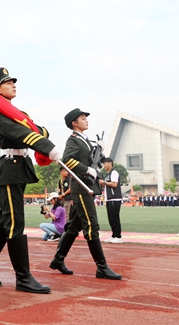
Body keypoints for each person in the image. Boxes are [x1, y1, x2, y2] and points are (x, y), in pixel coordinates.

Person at [0, 67, 57, 294]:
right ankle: (23, 278)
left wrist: (40, 134)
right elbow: (22, 134)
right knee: (15, 221)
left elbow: (39, 129)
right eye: (8, 82)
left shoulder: (18, 113)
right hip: (10, 168)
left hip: (19, 168)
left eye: (13, 82)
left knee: (3, 220)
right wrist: (46, 145)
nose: (13, 85)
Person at [49, 108, 121, 280]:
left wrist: (100, 151)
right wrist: (86, 170)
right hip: (81, 188)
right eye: (82, 118)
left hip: (87, 186)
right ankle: (101, 267)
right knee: (91, 225)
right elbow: (67, 160)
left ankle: (58, 259)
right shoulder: (73, 140)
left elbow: (93, 161)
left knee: (74, 227)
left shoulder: (86, 141)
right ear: (74, 123)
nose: (86, 120)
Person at [101, 157, 123, 243]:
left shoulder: (114, 172)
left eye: (105, 163)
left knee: (115, 218)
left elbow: (114, 184)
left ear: (110, 163)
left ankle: (118, 236)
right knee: (111, 218)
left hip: (115, 198)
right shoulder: (108, 174)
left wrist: (104, 182)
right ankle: (114, 235)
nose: (104, 165)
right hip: (109, 199)